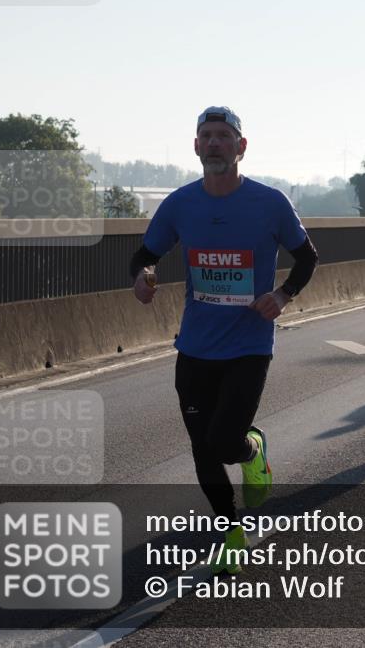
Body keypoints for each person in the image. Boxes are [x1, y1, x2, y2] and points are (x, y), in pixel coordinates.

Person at [130, 106, 318, 574]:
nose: (214, 143)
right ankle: (231, 531)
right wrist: (144, 276)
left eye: (223, 136)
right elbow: (143, 256)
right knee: (201, 446)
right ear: (196, 147)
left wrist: (283, 294)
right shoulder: (179, 204)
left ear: (241, 147)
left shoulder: (270, 202)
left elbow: (307, 257)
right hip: (194, 346)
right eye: (206, 136)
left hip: (249, 345)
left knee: (223, 440)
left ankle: (251, 449)